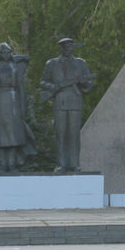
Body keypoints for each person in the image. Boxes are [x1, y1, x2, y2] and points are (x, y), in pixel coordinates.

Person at [0, 42, 36, 172]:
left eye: (7, 52)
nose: (5, 55)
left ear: (10, 54)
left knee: (14, 134)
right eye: (2, 52)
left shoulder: (15, 68)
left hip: (13, 101)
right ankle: (2, 164)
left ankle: (12, 163)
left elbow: (21, 89)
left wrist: (23, 107)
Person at [40, 37, 94, 172]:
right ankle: (62, 164)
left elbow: (89, 84)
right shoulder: (52, 63)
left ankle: (74, 164)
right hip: (60, 101)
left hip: (75, 101)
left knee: (74, 134)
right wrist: (55, 87)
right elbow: (43, 82)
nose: (67, 49)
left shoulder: (81, 63)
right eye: (64, 47)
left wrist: (83, 82)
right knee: (61, 134)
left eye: (69, 46)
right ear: (61, 48)